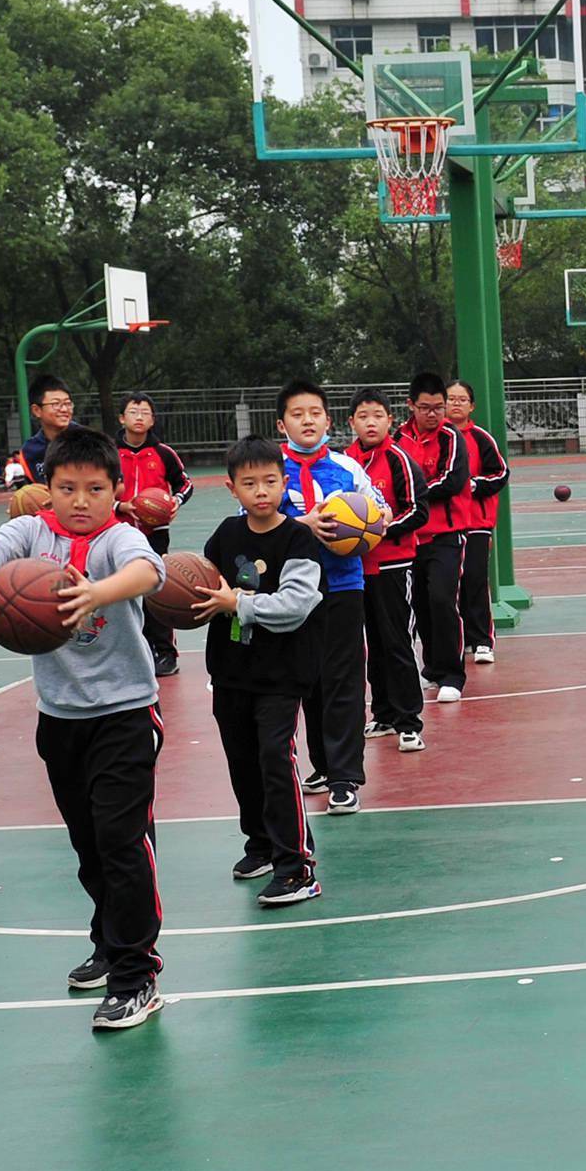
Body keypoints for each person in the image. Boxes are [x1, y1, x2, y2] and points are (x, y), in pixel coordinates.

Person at [0, 427, 175, 1026]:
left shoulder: (120, 539)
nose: (80, 500)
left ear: (116, 491)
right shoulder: (33, 532)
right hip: (59, 717)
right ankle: (108, 941)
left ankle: (137, 974)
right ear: (47, 489)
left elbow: (147, 574)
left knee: (121, 843)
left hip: (125, 715)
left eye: (95, 489)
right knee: (87, 847)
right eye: (67, 488)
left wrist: (95, 594)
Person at [196, 437, 327, 906]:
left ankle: (297, 866)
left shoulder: (298, 539)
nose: (261, 491)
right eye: (249, 483)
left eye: (270, 481)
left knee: (276, 759)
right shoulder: (226, 535)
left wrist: (239, 603)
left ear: (283, 482)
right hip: (231, 670)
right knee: (243, 763)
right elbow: (204, 583)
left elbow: (296, 605)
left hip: (281, 674)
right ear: (232, 488)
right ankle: (263, 845)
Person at [276, 381, 373, 813]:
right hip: (292, 589)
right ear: (282, 423)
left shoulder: (348, 468)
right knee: (307, 680)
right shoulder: (270, 471)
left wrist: (375, 519)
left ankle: (344, 776)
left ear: (328, 420)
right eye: (297, 414)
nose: (307, 420)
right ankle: (322, 761)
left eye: (315, 412)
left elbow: (379, 508)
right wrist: (302, 526)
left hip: (343, 584)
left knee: (344, 680)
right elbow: (252, 521)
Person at [346, 393, 431, 753]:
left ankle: (409, 721)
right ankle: (382, 713)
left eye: (377, 416)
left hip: (393, 565)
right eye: (363, 416)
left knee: (396, 642)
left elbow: (418, 511)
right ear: (350, 422)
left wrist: (380, 530)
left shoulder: (400, 460)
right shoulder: (344, 463)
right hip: (352, 568)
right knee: (370, 645)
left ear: (389, 420)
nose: (370, 422)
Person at [396, 372, 474, 704]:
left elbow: (453, 481)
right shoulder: (397, 439)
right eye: (425, 407)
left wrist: (414, 492)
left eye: (438, 407)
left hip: (447, 534)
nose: (433, 414)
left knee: (443, 599)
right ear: (410, 405)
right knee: (420, 605)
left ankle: (453, 674)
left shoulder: (451, 438)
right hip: (411, 536)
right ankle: (432, 667)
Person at [113, 394, 194, 678]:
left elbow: (185, 484)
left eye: (144, 412)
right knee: (118, 593)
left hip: (154, 534)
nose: (139, 417)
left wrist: (175, 503)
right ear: (121, 418)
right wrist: (118, 506)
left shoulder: (163, 453)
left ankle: (165, 653)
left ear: (152, 420)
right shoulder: (108, 452)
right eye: (132, 412)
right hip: (115, 531)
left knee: (155, 593)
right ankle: (127, 652)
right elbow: (96, 486)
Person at [444, 379, 510, 667]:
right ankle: (463, 640)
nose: (456, 403)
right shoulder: (435, 438)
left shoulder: (481, 438)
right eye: (450, 398)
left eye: (462, 399)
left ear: (472, 406)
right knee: (448, 584)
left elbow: (500, 474)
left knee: (474, 578)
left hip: (476, 522)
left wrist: (474, 485)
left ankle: (482, 640)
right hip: (445, 524)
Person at [21, 376, 76, 485]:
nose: (64, 409)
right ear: (36, 410)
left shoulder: (89, 441)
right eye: (56, 404)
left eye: (68, 403)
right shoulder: (30, 451)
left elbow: (115, 486)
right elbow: (34, 488)